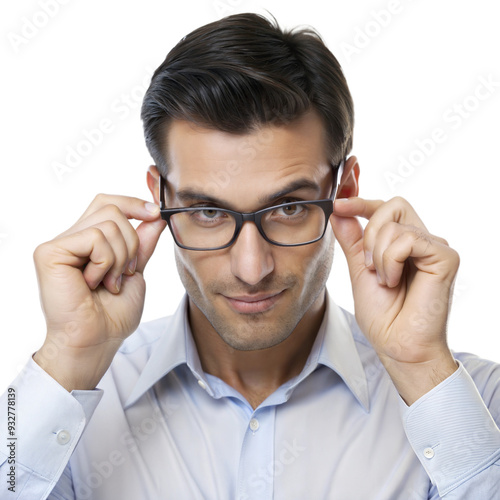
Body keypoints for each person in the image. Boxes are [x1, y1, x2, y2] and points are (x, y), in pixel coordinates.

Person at [1, 12, 499, 500]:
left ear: (344, 190)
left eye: (289, 208)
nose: (251, 269)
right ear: (160, 199)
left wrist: (420, 369)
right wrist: (67, 359)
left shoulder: (475, 401)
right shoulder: (61, 406)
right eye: (208, 213)